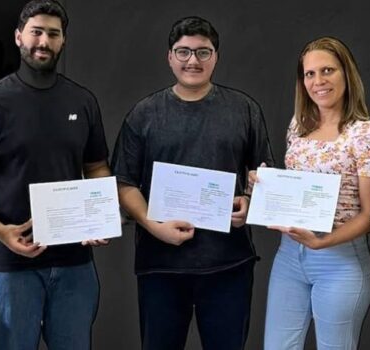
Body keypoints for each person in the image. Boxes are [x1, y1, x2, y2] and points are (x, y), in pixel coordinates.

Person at [111, 16, 274, 350]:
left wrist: (250, 199)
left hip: (229, 262)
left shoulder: (244, 110)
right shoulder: (144, 114)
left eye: (203, 52)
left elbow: (264, 174)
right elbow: (124, 183)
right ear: (170, 57)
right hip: (161, 266)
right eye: (183, 52)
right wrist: (151, 225)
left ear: (216, 57)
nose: (193, 61)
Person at [0, 1, 111, 349]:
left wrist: (99, 217)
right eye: (36, 32)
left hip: (74, 262)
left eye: (53, 34)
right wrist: (1, 232)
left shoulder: (82, 102)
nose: (44, 41)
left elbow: (96, 167)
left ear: (63, 42)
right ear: (18, 38)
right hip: (10, 262)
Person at [252, 37, 370, 349]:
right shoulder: (298, 127)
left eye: (328, 70)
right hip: (289, 256)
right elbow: (297, 192)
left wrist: (322, 241)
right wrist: (264, 186)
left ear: (346, 74)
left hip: (338, 258)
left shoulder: (366, 134)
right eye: (309, 74)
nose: (318, 81)